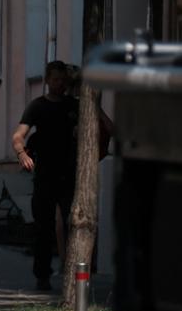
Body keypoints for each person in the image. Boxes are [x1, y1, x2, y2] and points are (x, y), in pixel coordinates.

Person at [13, 60, 111, 292]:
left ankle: (75, 273)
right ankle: (43, 275)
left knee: (75, 224)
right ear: (47, 80)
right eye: (55, 80)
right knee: (43, 228)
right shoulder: (37, 106)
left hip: (70, 174)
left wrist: (93, 104)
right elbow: (19, 135)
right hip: (45, 173)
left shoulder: (74, 105)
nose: (60, 85)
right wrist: (20, 154)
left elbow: (107, 126)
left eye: (63, 80)